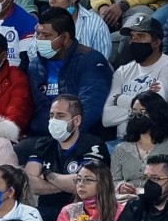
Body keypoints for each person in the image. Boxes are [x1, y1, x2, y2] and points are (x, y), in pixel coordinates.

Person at [24, 94, 110, 221]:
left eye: (60, 116)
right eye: (51, 115)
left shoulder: (93, 145)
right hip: (46, 211)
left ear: (76, 120)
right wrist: (67, 183)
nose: (53, 120)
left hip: (82, 210)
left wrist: (47, 175)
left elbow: (87, 184)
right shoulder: (44, 145)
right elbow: (29, 182)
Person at [27, 8, 113, 136]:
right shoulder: (36, 64)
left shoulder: (91, 61)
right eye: (38, 34)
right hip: (45, 135)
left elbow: (90, 106)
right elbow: (39, 106)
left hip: (82, 135)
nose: (39, 39)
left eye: (46, 35)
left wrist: (66, 135)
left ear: (65, 37)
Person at [102, 12, 168, 133]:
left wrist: (119, 99)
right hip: (122, 141)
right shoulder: (122, 71)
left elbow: (153, 106)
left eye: (141, 36)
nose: (134, 41)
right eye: (132, 37)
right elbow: (107, 118)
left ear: (156, 42)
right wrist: (141, 111)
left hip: (156, 139)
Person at [111, 91, 168, 195]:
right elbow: (113, 183)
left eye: (143, 112)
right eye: (134, 112)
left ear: (157, 114)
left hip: (162, 202)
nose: (137, 117)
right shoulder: (120, 149)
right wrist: (120, 186)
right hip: (129, 203)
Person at [39, 0, 111, 59]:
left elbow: (101, 62)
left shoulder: (96, 24)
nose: (51, 1)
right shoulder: (43, 21)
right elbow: (33, 54)